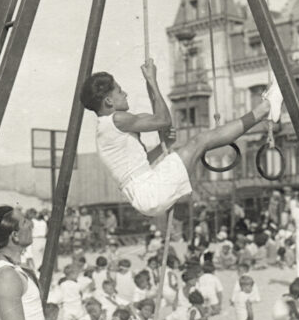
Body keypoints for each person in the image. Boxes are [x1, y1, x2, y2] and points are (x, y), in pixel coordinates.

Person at [80, 60, 282, 217]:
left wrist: (163, 146)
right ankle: (265, 108)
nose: (125, 94)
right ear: (108, 101)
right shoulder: (117, 119)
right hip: (148, 191)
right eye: (119, 91)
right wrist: (152, 81)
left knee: (200, 141)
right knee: (200, 141)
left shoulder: (108, 127)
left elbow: (142, 163)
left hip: (144, 193)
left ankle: (265, 109)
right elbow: (163, 120)